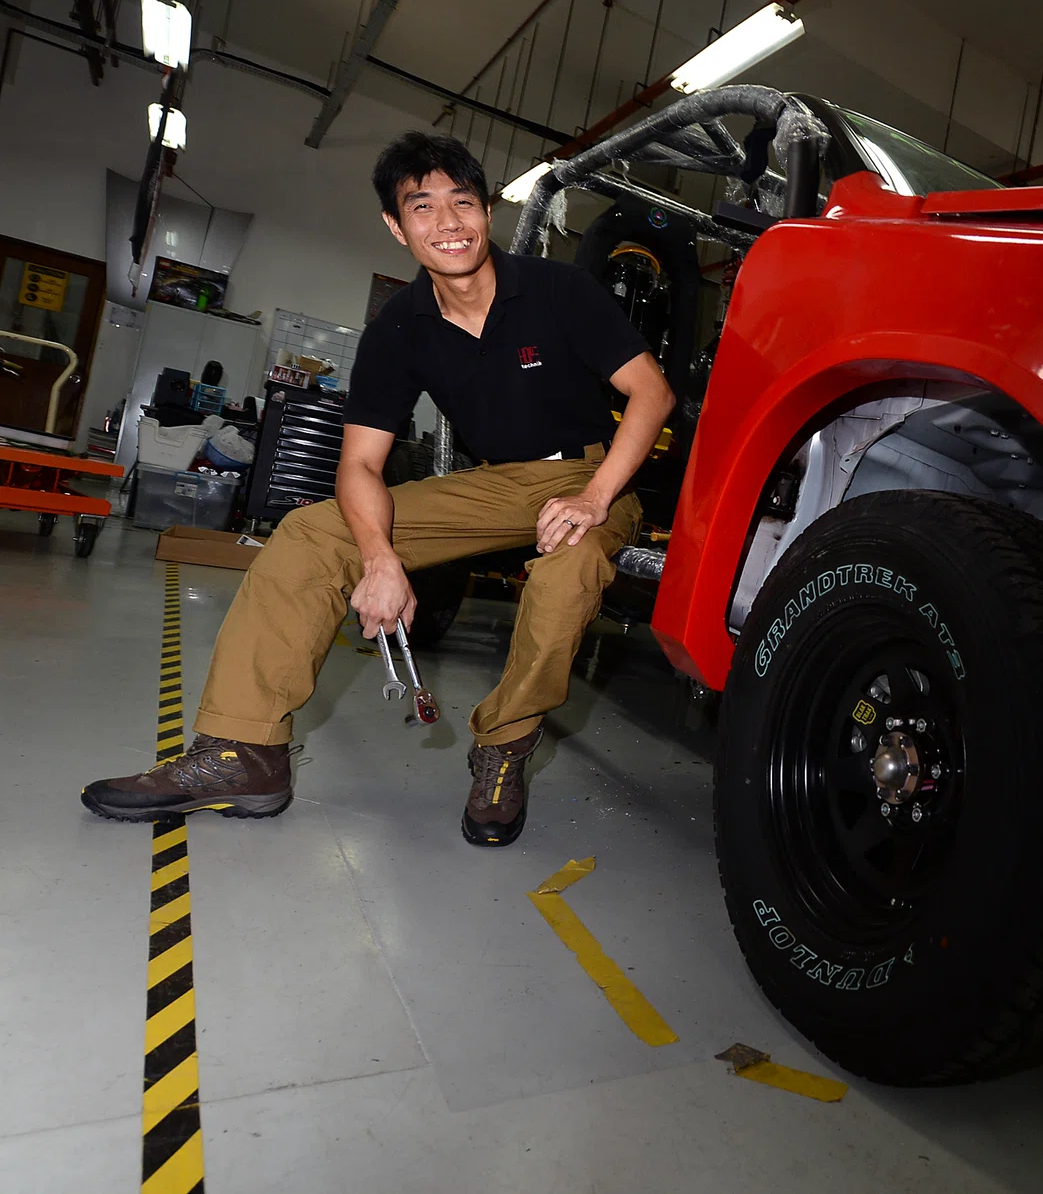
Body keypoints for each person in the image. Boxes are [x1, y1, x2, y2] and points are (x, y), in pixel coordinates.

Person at [83, 132, 675, 847]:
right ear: (397, 227)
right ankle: (246, 752)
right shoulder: (399, 329)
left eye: (463, 202)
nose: (448, 223)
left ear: (487, 211)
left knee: (570, 572)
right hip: (492, 485)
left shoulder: (559, 291)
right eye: (423, 207)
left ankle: (503, 748)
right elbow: (360, 464)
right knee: (309, 533)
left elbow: (651, 393)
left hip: (589, 474)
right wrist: (379, 557)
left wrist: (594, 497)